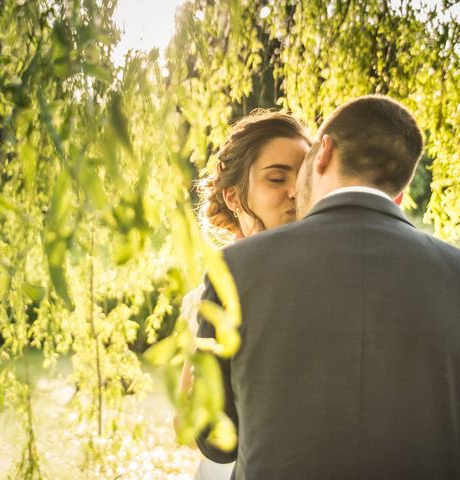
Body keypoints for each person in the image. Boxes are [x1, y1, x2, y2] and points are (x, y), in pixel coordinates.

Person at [195, 95, 460, 479]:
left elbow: (216, 441)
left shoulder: (236, 270)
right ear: (400, 192)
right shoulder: (454, 274)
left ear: (323, 154)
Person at [177, 109, 311, 480]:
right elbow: (189, 420)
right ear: (233, 197)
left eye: (305, 178)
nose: (295, 191)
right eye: (276, 177)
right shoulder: (218, 283)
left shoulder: (325, 273)